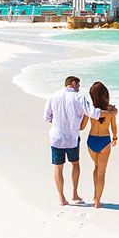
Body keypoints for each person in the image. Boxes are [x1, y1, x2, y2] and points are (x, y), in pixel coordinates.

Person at [43, 74, 100, 206]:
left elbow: (47, 117)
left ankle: (61, 198)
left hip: (56, 137)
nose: (79, 88)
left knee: (58, 167)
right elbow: (93, 113)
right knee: (75, 164)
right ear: (73, 83)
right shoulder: (78, 97)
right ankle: (74, 194)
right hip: (72, 138)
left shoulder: (53, 96)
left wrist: (58, 122)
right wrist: (110, 112)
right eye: (78, 85)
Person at [83, 80, 119, 207]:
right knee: (101, 173)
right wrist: (115, 137)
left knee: (96, 167)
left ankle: (94, 195)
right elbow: (114, 126)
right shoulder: (111, 110)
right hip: (104, 141)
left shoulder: (90, 109)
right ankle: (97, 201)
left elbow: (82, 126)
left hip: (91, 141)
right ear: (105, 94)